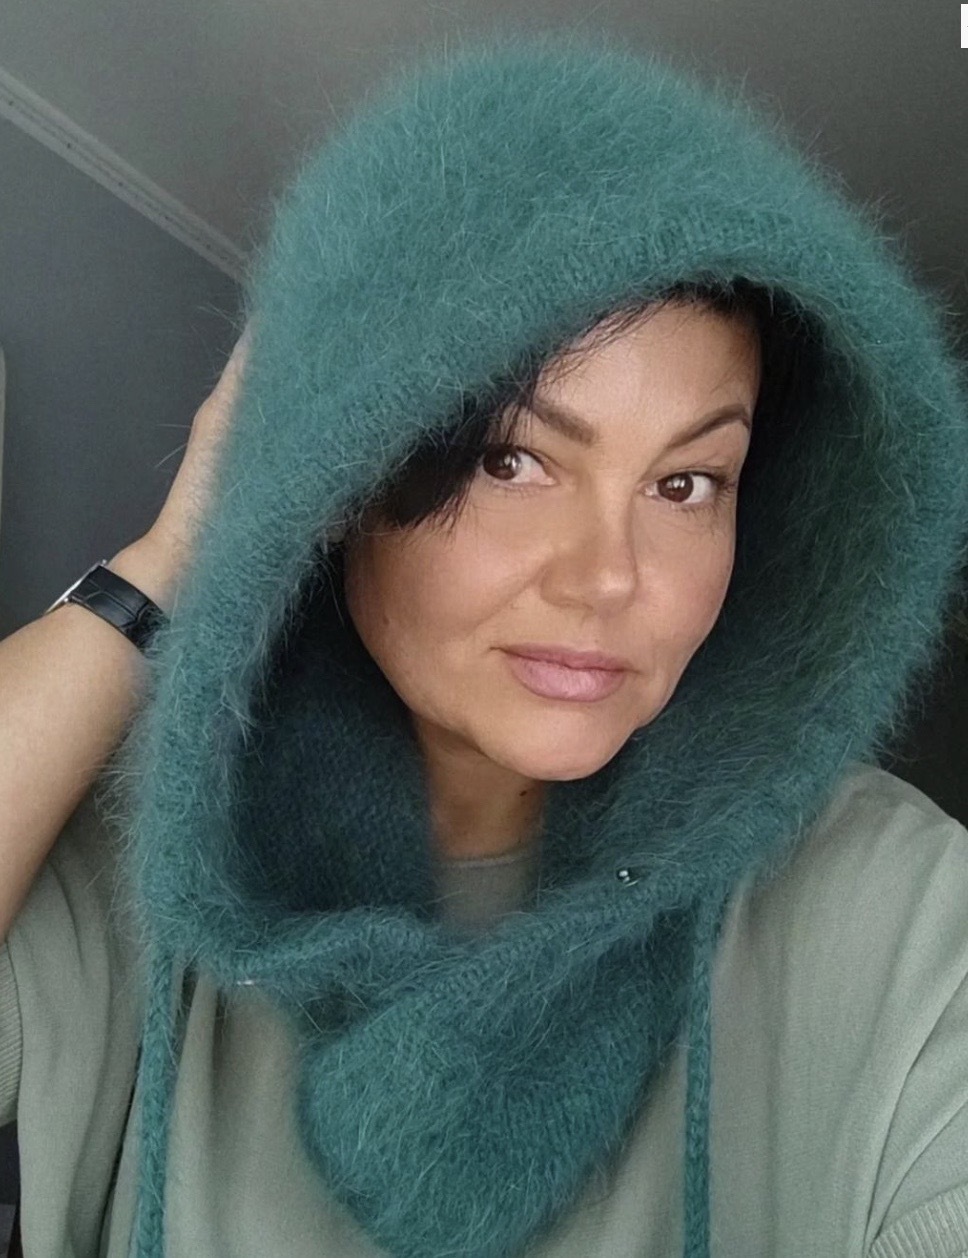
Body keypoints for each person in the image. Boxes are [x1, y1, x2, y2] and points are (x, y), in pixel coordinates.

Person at [2, 28, 968, 1258]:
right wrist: (177, 556)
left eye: (685, 483)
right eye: (514, 460)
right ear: (347, 476)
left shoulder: (895, 913)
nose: (608, 576)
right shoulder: (121, 860)